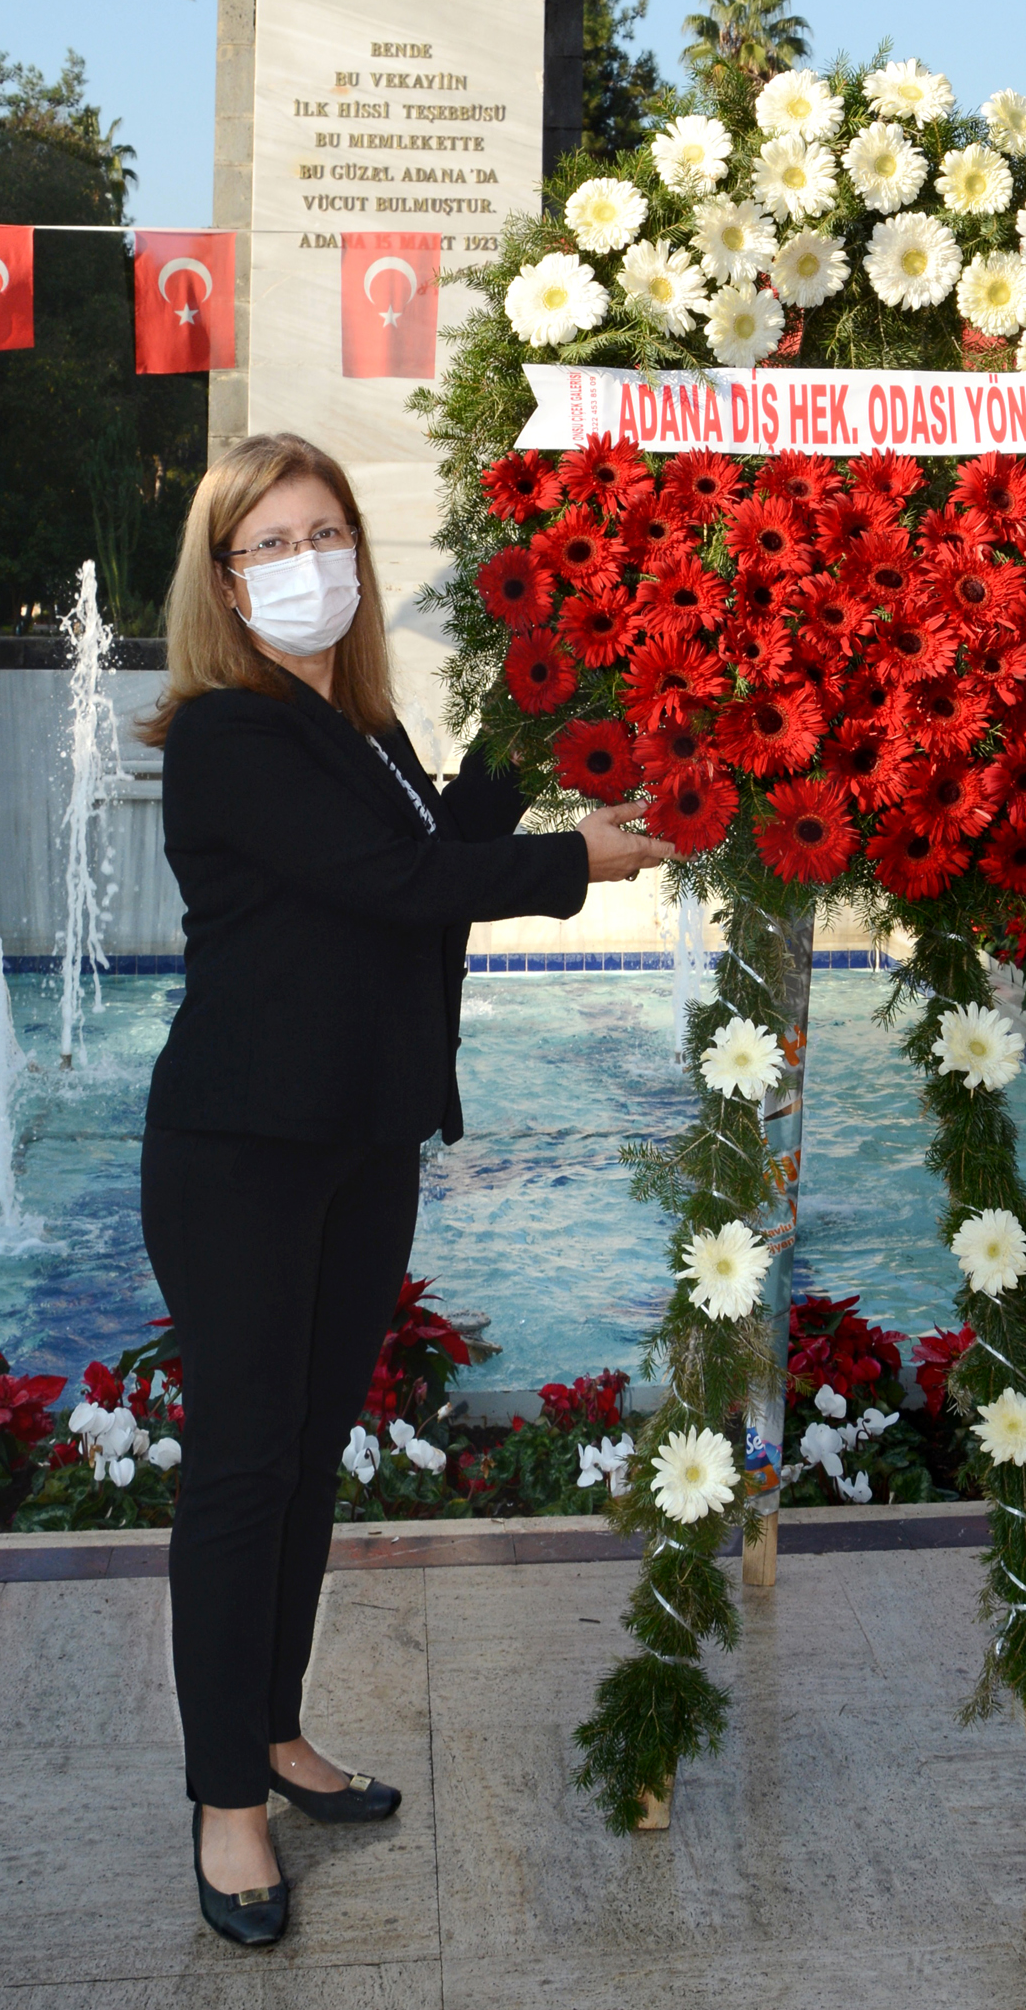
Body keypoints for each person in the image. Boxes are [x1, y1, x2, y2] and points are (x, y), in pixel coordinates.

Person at [139, 432, 672, 1944]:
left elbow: (436, 840)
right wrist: (583, 856)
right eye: (271, 542)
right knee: (243, 1469)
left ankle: (277, 1730)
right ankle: (223, 1801)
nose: (308, 561)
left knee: (309, 1454)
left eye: (327, 530)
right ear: (227, 579)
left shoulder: (357, 723)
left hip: (362, 1138)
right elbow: (396, 886)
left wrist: (546, 692)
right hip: (241, 1152)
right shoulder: (226, 733)